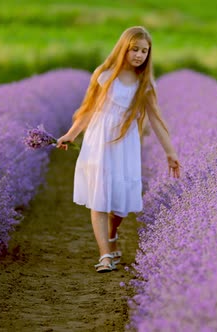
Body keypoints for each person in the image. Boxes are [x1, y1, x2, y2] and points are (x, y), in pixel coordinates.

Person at [56, 26, 181, 273]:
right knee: (100, 197)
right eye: (134, 49)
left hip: (126, 143)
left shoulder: (144, 83)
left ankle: (113, 233)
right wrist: (71, 135)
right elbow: (89, 109)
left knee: (121, 203)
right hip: (100, 138)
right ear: (123, 47)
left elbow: (156, 118)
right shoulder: (104, 75)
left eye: (144, 51)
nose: (139, 55)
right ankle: (105, 255)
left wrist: (170, 152)